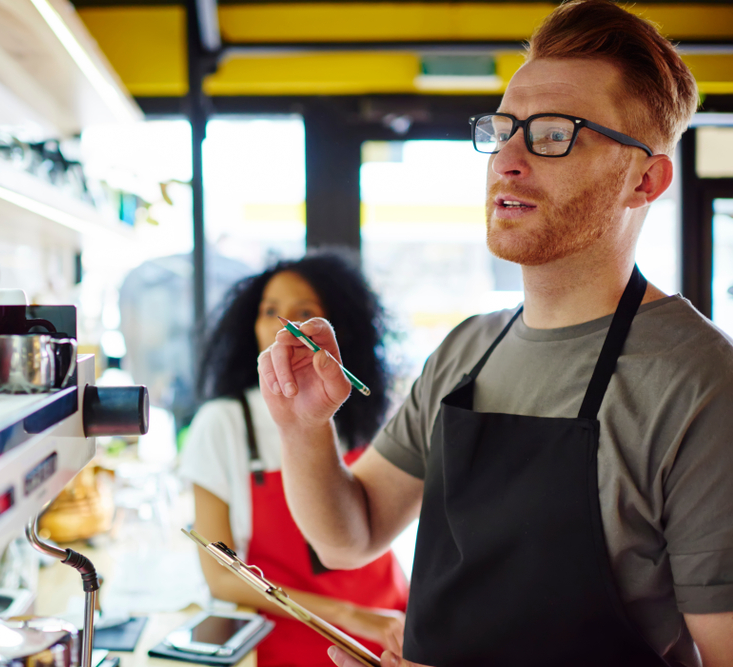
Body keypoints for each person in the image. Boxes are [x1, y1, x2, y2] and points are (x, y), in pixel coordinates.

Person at [258, 2, 733, 666]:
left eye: (553, 133)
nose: (507, 158)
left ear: (644, 180)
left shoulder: (701, 383)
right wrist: (304, 426)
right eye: (504, 128)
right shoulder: (468, 348)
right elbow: (350, 535)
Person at [180, 253, 409, 666]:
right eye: (269, 311)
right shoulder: (224, 423)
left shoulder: (364, 413)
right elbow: (221, 578)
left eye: (303, 312)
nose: (282, 325)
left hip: (398, 625)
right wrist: (351, 617)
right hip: (301, 640)